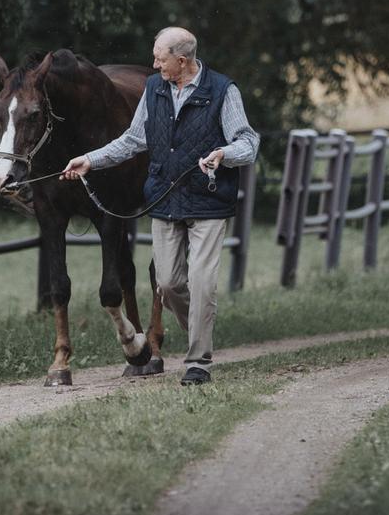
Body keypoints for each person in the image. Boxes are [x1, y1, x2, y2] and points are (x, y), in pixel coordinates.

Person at [61, 27, 259, 385]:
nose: (153, 64)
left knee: (201, 281)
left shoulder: (222, 90)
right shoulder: (154, 89)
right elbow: (133, 140)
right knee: (167, 284)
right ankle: (200, 329)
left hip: (208, 200)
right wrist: (90, 159)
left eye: (159, 58)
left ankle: (198, 362)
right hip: (165, 199)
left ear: (181, 61)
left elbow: (248, 142)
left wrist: (224, 154)